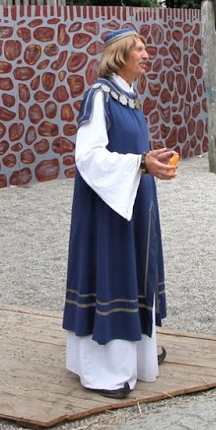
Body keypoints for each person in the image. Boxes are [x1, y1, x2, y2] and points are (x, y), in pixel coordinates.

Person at [63, 27, 179, 399]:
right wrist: (140, 163)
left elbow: (129, 150)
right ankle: (107, 372)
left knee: (137, 271)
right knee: (114, 273)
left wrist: (149, 159)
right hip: (108, 208)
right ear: (119, 56)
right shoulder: (100, 96)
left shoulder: (128, 97)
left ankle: (138, 355)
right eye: (139, 49)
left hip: (135, 201)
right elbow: (88, 156)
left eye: (145, 48)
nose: (146, 54)